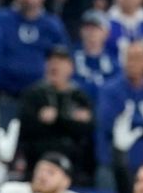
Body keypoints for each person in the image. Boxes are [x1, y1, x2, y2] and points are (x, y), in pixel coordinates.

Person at [96, 41, 143, 193]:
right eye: (128, 58)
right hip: (112, 166)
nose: (132, 63)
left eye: (137, 58)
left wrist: (128, 119)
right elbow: (109, 122)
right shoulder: (110, 90)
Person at [17, 46, 94, 180]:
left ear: (71, 67)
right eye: (51, 61)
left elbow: (86, 129)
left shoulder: (79, 96)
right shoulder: (34, 94)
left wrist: (56, 118)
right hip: (37, 164)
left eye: (60, 61)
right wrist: (71, 120)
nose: (54, 65)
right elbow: (26, 128)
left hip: (72, 168)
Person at [0, 0, 69, 102]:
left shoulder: (52, 26)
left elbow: (63, 58)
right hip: (3, 94)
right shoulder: (1, 20)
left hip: (39, 98)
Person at [73, 10, 119, 108]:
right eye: (87, 28)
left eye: (96, 28)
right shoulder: (70, 59)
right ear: (81, 31)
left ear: (106, 33)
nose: (91, 33)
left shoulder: (114, 64)